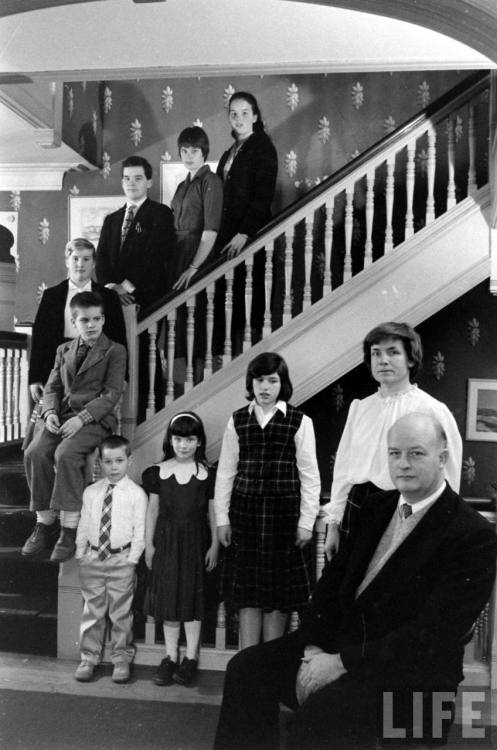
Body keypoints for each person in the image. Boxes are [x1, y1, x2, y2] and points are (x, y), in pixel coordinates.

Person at [213, 412, 497, 750]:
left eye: (416, 453)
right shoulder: (376, 506)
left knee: (321, 715)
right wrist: (314, 646)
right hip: (339, 646)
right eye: (394, 453)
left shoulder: (473, 535)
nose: (402, 464)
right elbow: (331, 583)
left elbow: (430, 634)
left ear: (443, 458)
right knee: (246, 669)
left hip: (412, 681)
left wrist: (339, 664)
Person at [323, 321, 462, 560]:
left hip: (404, 507)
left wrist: (435, 527)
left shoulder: (432, 409)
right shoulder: (360, 408)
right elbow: (344, 470)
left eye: (393, 352)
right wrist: (333, 526)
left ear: (410, 359)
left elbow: (449, 473)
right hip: (356, 507)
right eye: (376, 353)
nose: (383, 360)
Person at [215, 352, 321, 649]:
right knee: (248, 593)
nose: (265, 387)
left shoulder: (300, 422)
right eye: (259, 380)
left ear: (282, 383)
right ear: (251, 383)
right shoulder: (237, 420)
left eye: (272, 380)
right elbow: (225, 473)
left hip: (284, 519)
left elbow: (310, 476)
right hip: (245, 516)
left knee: (278, 595)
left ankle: (269, 663)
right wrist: (222, 519)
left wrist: (306, 523)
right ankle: (248, 663)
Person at [23, 291, 127, 563]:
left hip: (94, 420)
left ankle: (68, 529)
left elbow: (111, 394)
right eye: (84, 320)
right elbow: (53, 387)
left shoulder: (115, 351)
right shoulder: (63, 350)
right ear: (74, 321)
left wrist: (82, 418)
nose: (90, 325)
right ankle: (44, 522)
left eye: (96, 319)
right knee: (34, 452)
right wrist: (49, 412)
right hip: (62, 416)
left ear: (103, 319)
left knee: (66, 454)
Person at [142, 411, 218, 687]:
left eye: (189, 440)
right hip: (166, 543)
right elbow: (152, 511)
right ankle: (170, 656)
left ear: (199, 442)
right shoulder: (158, 473)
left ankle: (191, 657)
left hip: (195, 544)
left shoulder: (207, 474)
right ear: (170, 441)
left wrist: (214, 545)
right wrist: (148, 545)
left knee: (190, 599)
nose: (183, 445)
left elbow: (212, 512)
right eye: (177, 439)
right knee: (170, 600)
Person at [74, 434, 147, 684]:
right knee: (92, 612)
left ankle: (121, 658)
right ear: (100, 463)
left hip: (121, 560)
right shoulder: (92, 492)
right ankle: (89, 658)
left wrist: (132, 560)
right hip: (93, 557)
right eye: (107, 462)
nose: (113, 467)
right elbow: (84, 524)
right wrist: (81, 553)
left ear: (129, 460)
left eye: (119, 461)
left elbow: (140, 531)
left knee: (121, 613)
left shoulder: (136, 494)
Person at [213, 92, 278, 355]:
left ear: (255, 116)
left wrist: (244, 232)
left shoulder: (262, 147)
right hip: (227, 235)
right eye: (233, 114)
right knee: (227, 298)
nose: (238, 119)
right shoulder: (230, 152)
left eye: (244, 113)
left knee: (248, 299)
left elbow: (263, 196)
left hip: (249, 236)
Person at [28, 237, 127, 407]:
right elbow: (40, 338)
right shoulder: (51, 296)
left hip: (96, 362)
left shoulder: (109, 297)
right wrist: (35, 378)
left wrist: (123, 377)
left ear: (94, 263)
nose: (80, 264)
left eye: (86, 259)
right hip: (59, 363)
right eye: (75, 258)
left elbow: (119, 336)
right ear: (67, 261)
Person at [168, 127, 223, 384]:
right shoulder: (182, 186)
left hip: (197, 257)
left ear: (204, 152)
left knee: (197, 318)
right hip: (177, 256)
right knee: (178, 321)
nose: (189, 155)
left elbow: (210, 231)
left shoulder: (210, 182)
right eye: (185, 151)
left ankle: (201, 381)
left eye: (195, 150)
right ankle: (181, 382)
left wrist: (194, 266)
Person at [95, 155, 175, 310]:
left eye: (138, 178)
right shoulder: (111, 220)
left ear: (149, 182)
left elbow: (155, 257)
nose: (131, 183)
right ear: (122, 182)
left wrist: (124, 287)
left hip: (146, 299)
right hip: (113, 300)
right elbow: (101, 259)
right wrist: (111, 288)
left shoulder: (161, 213)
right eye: (127, 178)